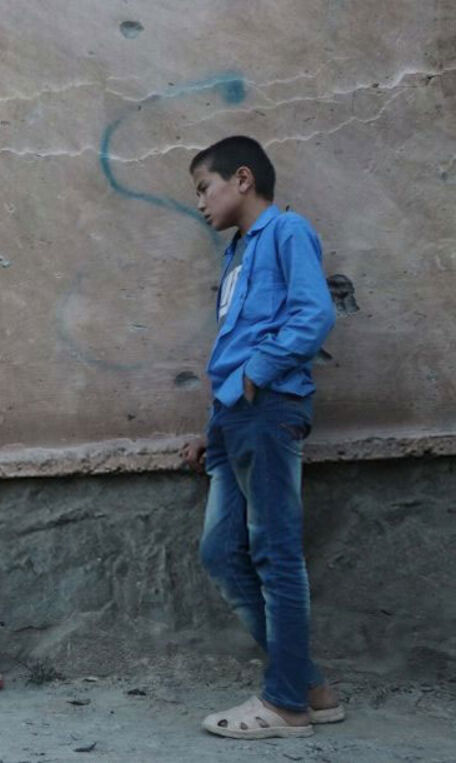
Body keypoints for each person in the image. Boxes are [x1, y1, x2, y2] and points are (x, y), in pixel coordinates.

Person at [178, 136, 344, 740]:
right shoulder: (238, 252)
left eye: (205, 187)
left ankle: (287, 705)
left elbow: (313, 314)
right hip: (234, 416)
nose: (200, 202)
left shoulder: (286, 232)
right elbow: (233, 342)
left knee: (275, 554)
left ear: (243, 179)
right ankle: (310, 688)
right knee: (222, 553)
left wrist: (256, 374)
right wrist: (213, 425)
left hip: (268, 407)